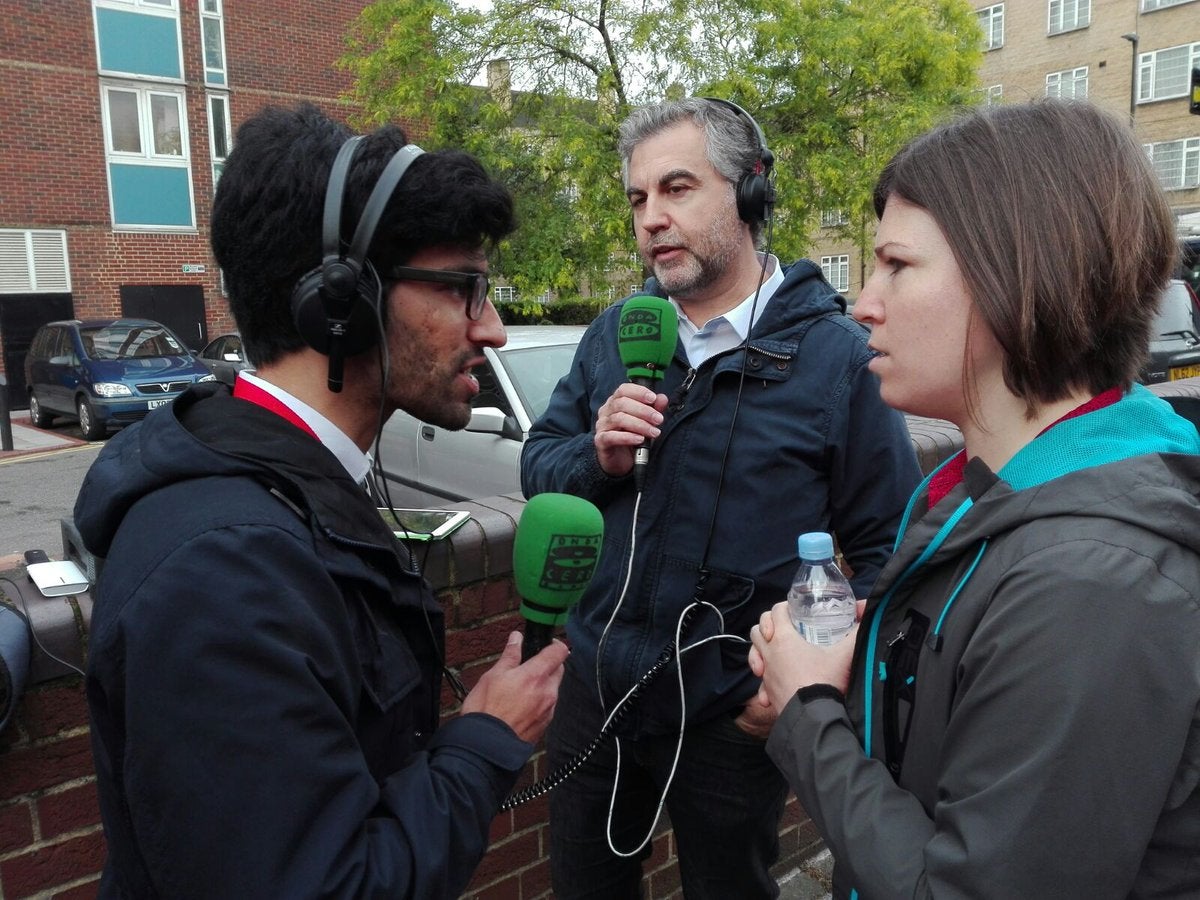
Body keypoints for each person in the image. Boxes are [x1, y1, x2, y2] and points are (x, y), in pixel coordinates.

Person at [75, 103, 570, 898]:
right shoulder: (224, 571)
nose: (496, 329)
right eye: (465, 289)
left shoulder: (290, 492)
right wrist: (484, 742)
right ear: (339, 301)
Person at [749, 99, 1200, 898]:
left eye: (897, 264)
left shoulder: (1090, 579)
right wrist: (844, 682)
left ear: (1013, 279)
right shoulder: (984, 492)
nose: (864, 303)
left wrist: (807, 710)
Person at [520, 97, 921, 898]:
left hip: (731, 717)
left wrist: (789, 694)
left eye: (677, 189)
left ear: (750, 192)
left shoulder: (836, 359)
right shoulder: (614, 335)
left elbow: (892, 558)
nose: (652, 219)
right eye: (638, 199)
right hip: (596, 694)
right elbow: (539, 467)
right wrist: (598, 456)